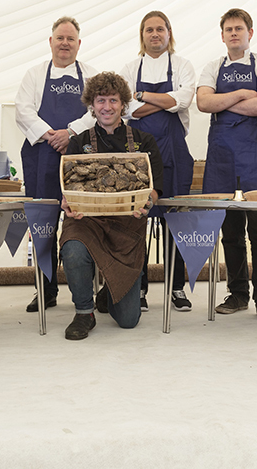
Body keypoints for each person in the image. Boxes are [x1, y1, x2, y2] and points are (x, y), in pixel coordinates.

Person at [60, 72, 163, 340]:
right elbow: (66, 188)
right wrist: (67, 205)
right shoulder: (78, 142)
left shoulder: (145, 141)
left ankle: (109, 291)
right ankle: (84, 312)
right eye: (101, 100)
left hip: (127, 225)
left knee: (128, 321)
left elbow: (155, 188)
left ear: (123, 104)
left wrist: (148, 203)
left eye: (113, 100)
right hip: (86, 221)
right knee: (72, 249)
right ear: (91, 105)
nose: (107, 107)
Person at [195, 8, 257, 321]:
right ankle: (237, 294)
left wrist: (227, 98)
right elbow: (204, 103)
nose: (234, 33)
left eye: (239, 29)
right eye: (229, 29)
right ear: (222, 36)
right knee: (230, 230)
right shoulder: (211, 67)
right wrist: (245, 93)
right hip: (222, 157)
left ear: (250, 33)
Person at [14, 17, 97, 312]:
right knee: (43, 226)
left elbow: (98, 110)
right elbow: (23, 111)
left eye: (70, 39)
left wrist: (70, 132)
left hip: (80, 159)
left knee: (85, 222)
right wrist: (50, 135)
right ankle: (45, 289)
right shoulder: (34, 75)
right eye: (60, 38)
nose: (65, 43)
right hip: (42, 157)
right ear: (51, 41)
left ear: (78, 44)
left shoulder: (91, 75)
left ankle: (86, 289)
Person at [121, 11, 197, 312]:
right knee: (136, 222)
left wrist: (143, 96)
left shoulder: (183, 66)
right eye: (149, 29)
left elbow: (184, 100)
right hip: (137, 156)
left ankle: (176, 287)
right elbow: (128, 111)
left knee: (175, 223)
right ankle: (138, 288)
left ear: (169, 33)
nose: (155, 34)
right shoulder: (129, 68)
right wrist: (164, 100)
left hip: (175, 153)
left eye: (160, 29)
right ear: (142, 35)